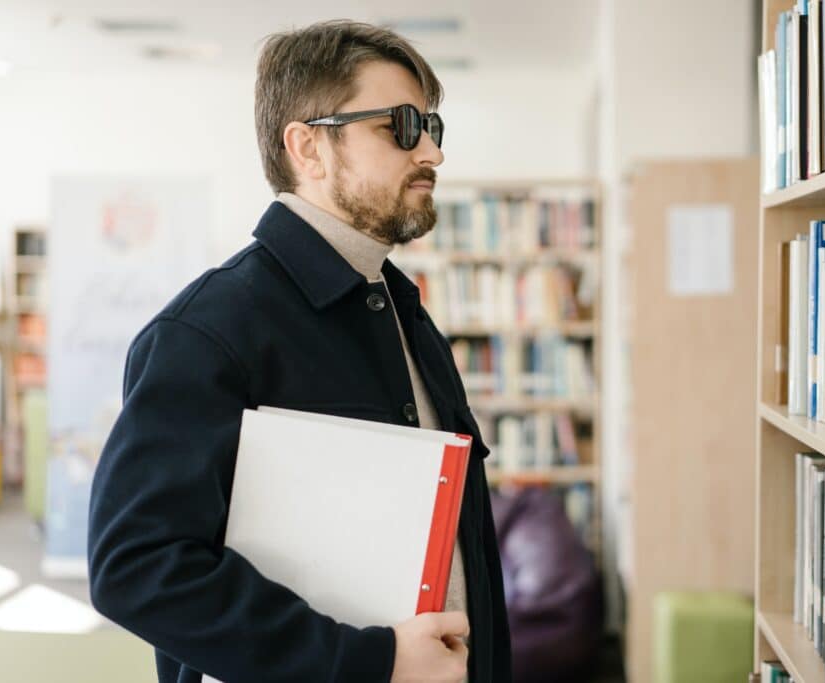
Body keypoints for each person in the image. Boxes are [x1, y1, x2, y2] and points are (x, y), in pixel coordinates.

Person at [87, 19, 512, 683]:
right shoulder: (209, 330)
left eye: (433, 127)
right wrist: (372, 661)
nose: (430, 151)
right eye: (401, 125)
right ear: (308, 148)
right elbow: (136, 567)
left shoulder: (407, 314)